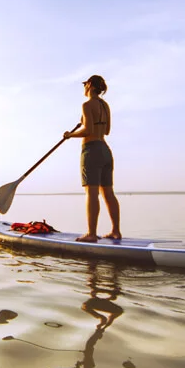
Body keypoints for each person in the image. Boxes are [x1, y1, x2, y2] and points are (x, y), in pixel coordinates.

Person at [62, 74, 121, 242]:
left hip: (92, 150)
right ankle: (116, 231)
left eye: (84, 84)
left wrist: (70, 134)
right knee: (108, 193)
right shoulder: (105, 106)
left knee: (92, 193)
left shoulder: (87, 105)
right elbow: (107, 130)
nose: (83, 88)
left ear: (89, 85)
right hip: (105, 150)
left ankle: (91, 234)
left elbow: (87, 130)